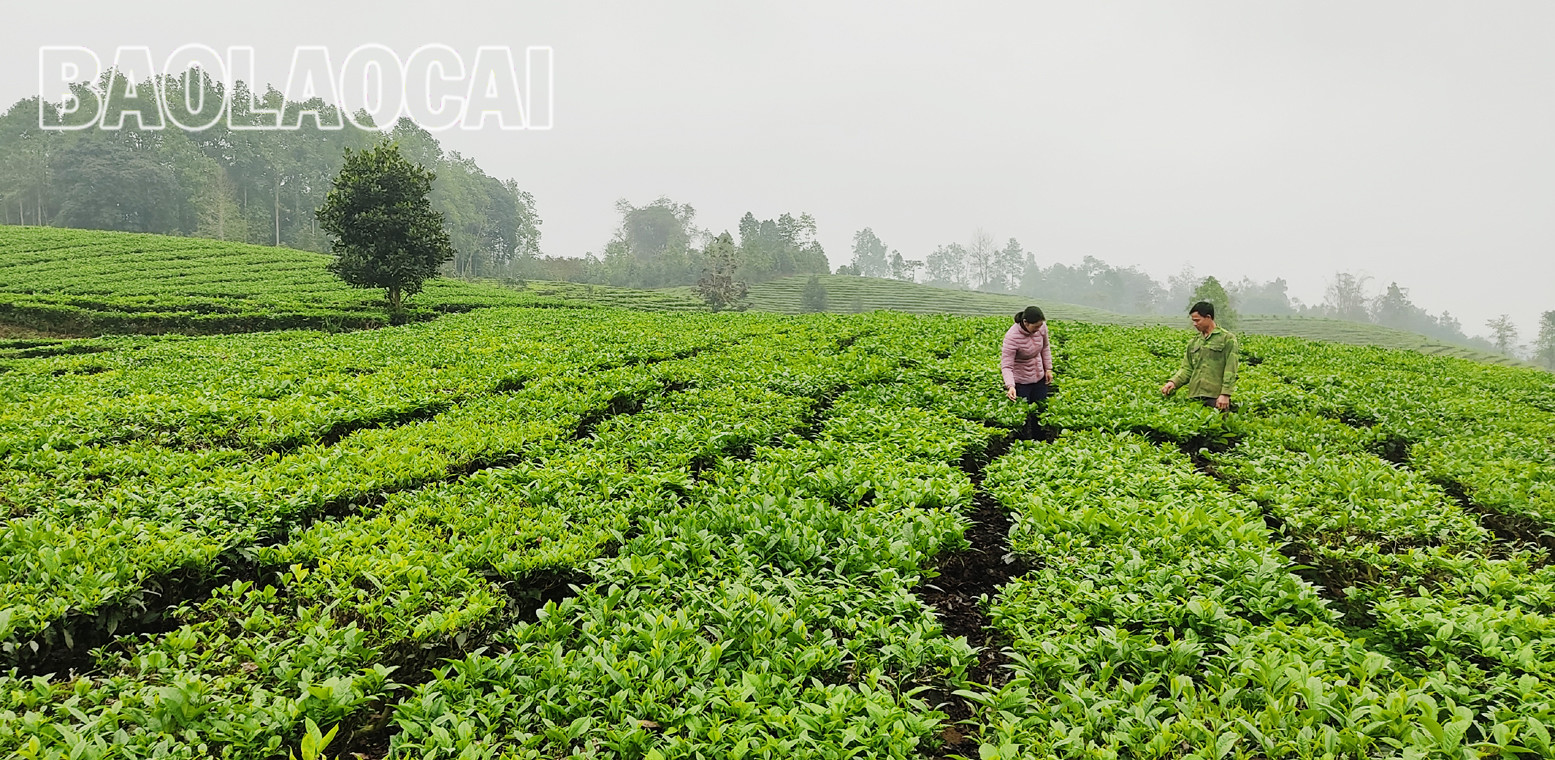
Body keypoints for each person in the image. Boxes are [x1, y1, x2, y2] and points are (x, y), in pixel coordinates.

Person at [1160, 300, 1238, 412]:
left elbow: (1231, 369)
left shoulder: (1227, 339)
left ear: (1208, 317)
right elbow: (1187, 369)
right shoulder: (1194, 342)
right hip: (1195, 396)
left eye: (1197, 320)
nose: (1195, 324)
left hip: (1216, 398)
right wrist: (1173, 382)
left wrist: (1225, 394)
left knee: (1218, 428)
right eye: (1193, 321)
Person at [1002, 306, 1054, 424]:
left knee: (1040, 413)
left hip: (1039, 378)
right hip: (1021, 382)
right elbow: (1006, 366)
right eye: (1035, 327)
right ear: (1025, 322)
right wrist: (1010, 386)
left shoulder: (1042, 328)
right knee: (1024, 416)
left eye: (1040, 326)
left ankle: (1041, 440)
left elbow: (1045, 347)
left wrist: (1048, 369)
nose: (1038, 329)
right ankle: (1025, 440)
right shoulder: (1012, 337)